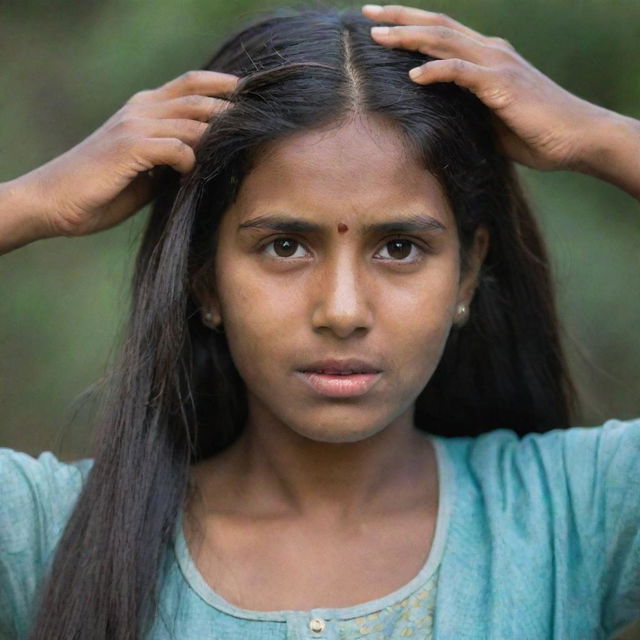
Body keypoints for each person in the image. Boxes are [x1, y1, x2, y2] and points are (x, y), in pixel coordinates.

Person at [1, 3, 638, 639]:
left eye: (399, 248)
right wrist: (33, 202)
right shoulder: (59, 534)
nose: (341, 311)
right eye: (284, 246)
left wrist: (601, 137)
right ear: (204, 279)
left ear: (467, 275)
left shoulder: (576, 513)